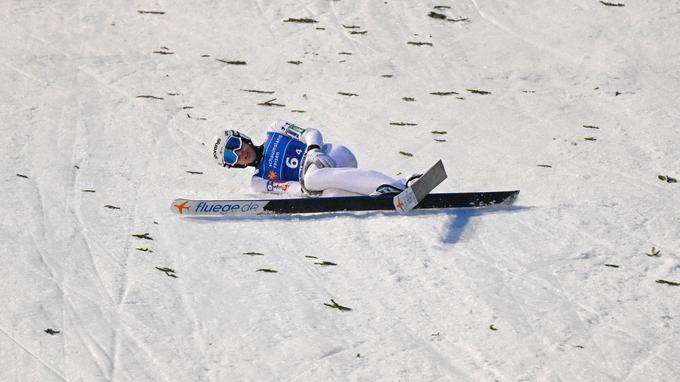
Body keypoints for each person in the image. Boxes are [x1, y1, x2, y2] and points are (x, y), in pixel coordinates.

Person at [210, 120, 420, 197]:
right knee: (329, 195)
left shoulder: (274, 130)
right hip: (324, 181)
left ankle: (398, 184)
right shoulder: (258, 181)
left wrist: (313, 150)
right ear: (234, 166)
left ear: (243, 139)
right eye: (231, 157)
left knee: (312, 179)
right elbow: (287, 188)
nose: (239, 154)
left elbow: (309, 132)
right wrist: (302, 190)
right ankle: (383, 196)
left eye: (235, 146)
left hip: (334, 155)